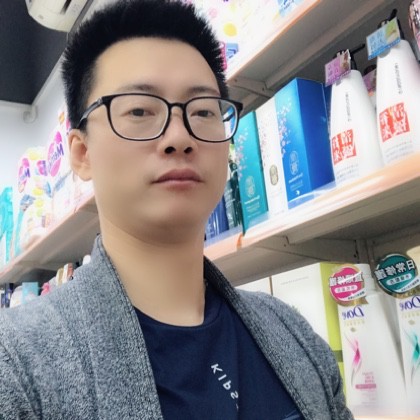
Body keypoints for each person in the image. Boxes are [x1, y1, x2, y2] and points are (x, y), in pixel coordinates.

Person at [0, 1, 354, 419]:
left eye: (202, 111)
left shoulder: (296, 336)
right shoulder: (17, 364)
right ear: (81, 153)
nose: (179, 137)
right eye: (139, 110)